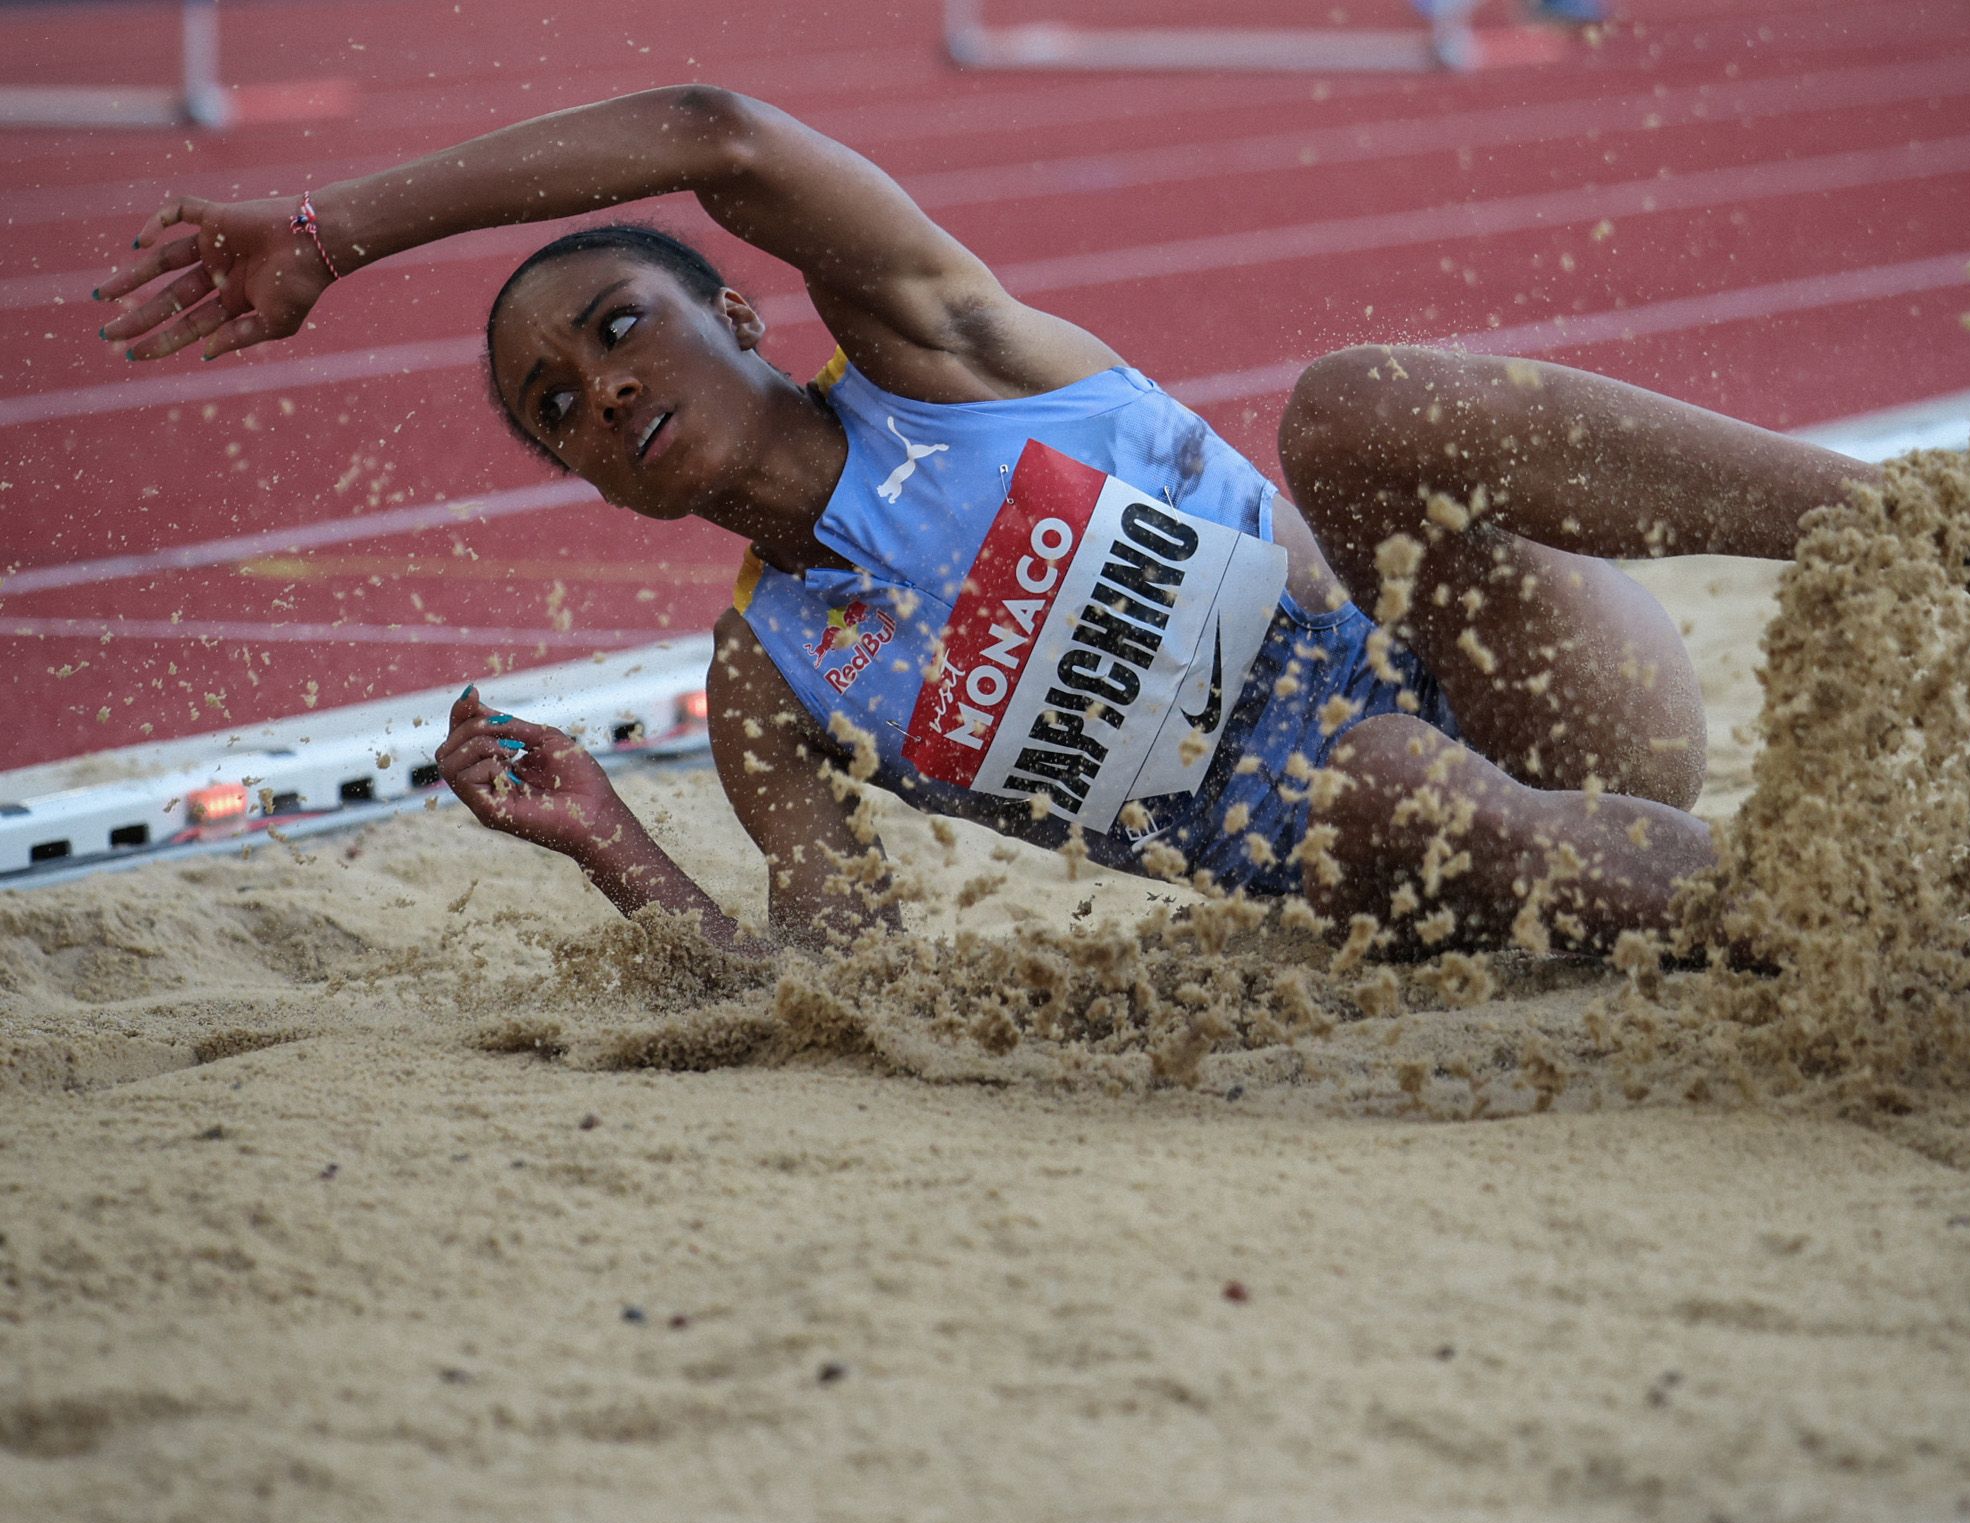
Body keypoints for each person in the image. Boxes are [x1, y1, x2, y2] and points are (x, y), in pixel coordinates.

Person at [93, 85, 1864, 960]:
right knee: (1379, 785)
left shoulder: (944, 352)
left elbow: (716, 129)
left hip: (1547, 704)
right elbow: (834, 984)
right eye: (560, 410)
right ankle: (1846, 928)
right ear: (596, 485)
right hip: (1426, 873)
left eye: (621, 327)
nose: (603, 389)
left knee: (1353, 406)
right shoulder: (774, 684)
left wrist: (337, 235)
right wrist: (614, 849)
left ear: (747, 317)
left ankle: (1939, 527)